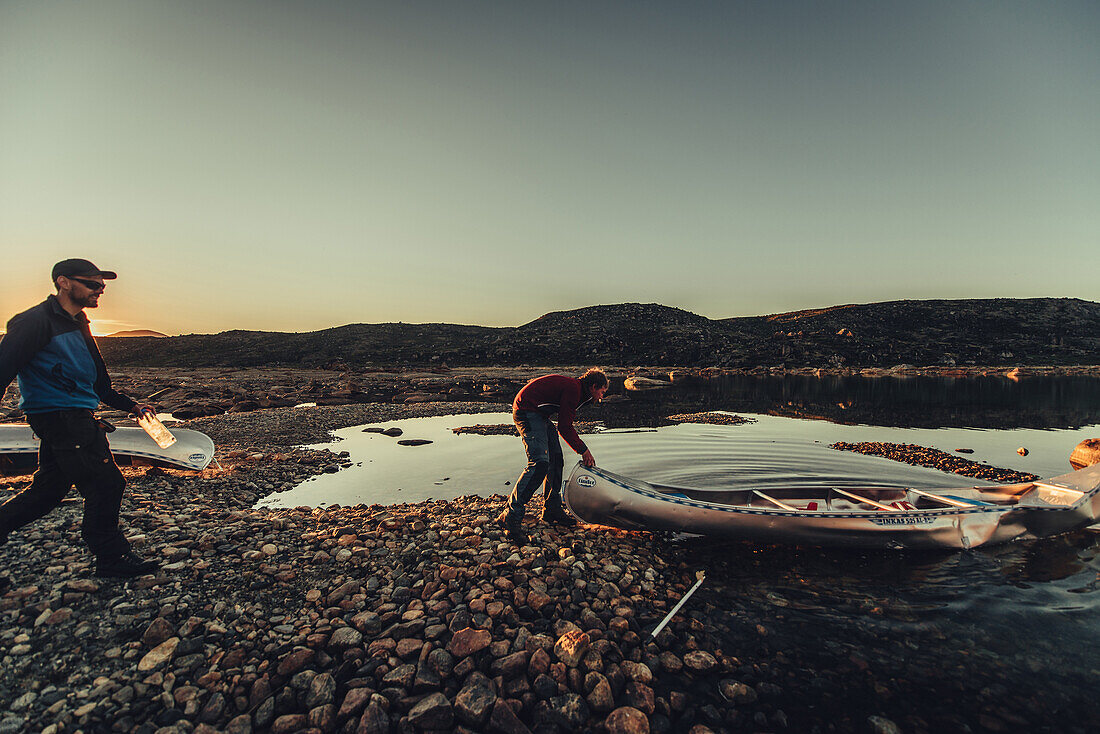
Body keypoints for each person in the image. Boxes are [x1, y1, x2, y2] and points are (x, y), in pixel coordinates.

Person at [0, 259, 160, 584]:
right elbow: (3, 369)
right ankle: (112, 557)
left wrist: (132, 406)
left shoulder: (79, 322)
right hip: (62, 418)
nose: (100, 289)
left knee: (48, 492)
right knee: (106, 483)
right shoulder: (35, 322)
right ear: (64, 282)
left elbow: (99, 384)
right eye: (92, 283)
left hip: (73, 415)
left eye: (102, 285)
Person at [498, 368, 610, 544]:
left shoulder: (578, 390)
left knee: (556, 458)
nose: (601, 397)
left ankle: (552, 509)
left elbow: (563, 424)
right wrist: (583, 450)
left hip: (540, 414)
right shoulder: (574, 389)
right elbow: (564, 427)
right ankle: (510, 515)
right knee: (540, 463)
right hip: (526, 410)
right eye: (601, 392)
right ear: (593, 386)